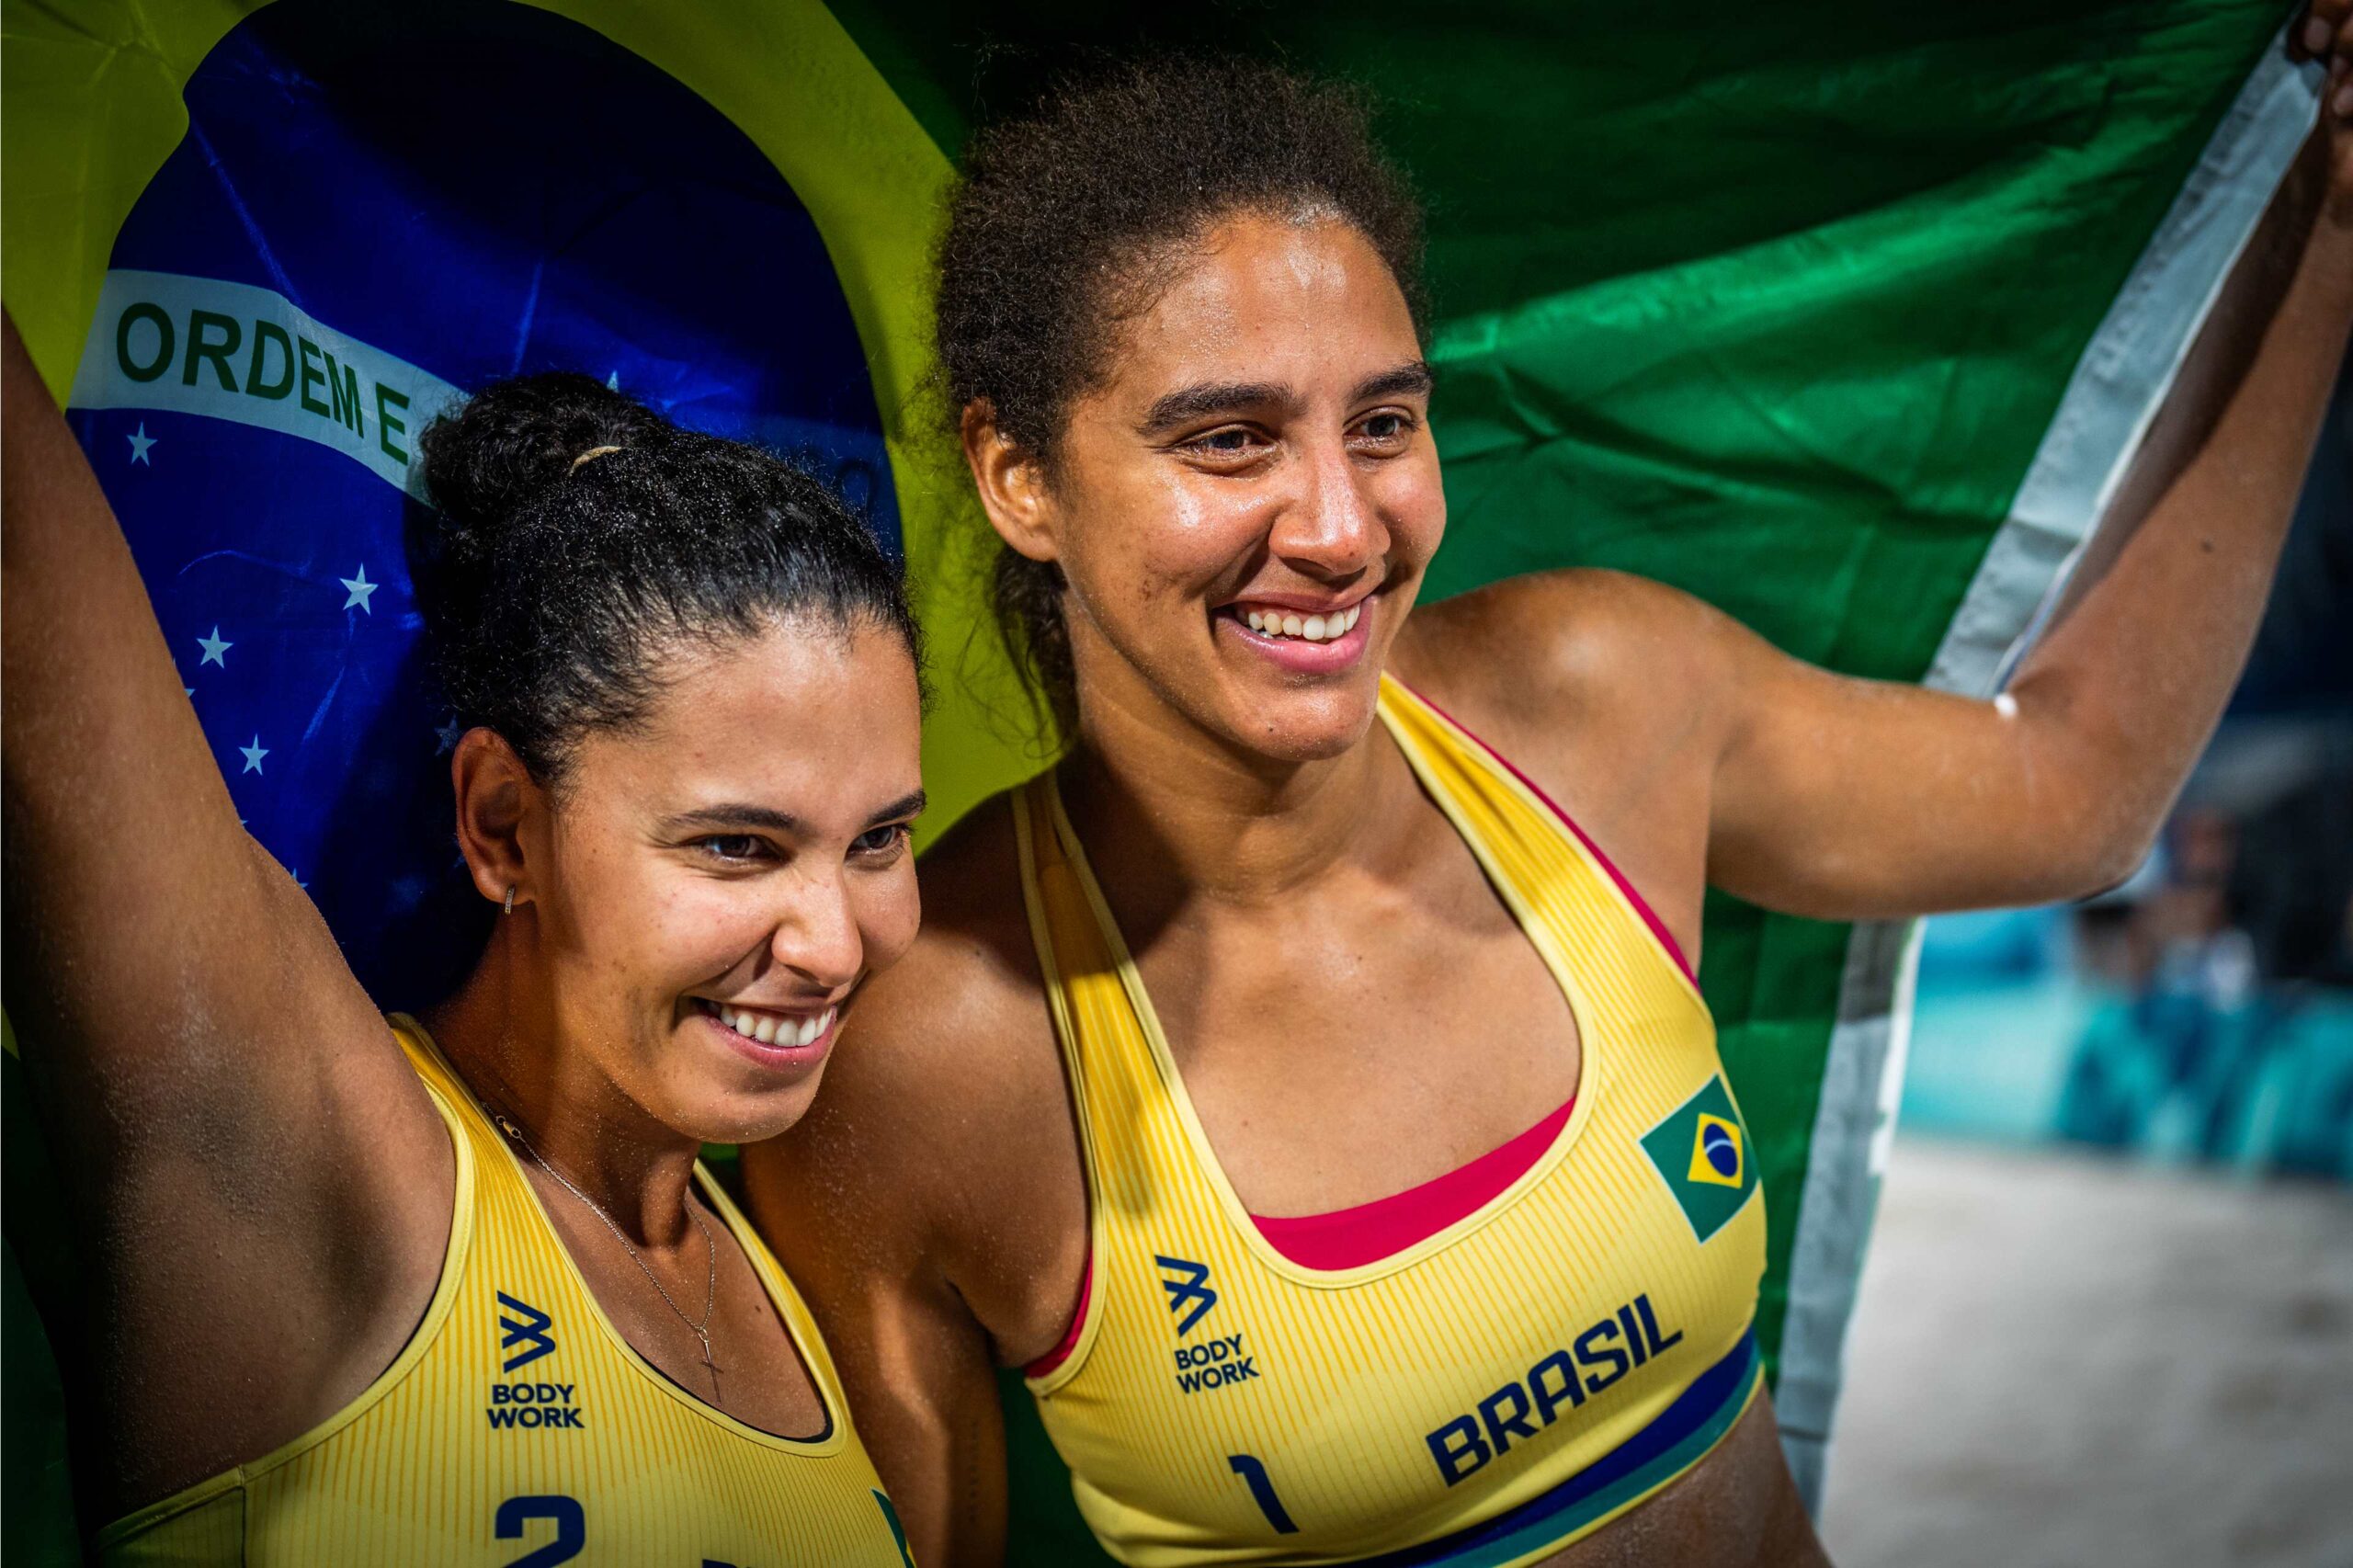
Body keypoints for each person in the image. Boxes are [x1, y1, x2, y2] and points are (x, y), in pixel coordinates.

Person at [741, 27, 2353, 1568]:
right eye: (1228, 441)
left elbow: (2070, 787)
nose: (1336, 526)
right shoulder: (932, 1047)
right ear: (1022, 476)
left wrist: (2333, 209)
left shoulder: (1598, 706)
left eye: (1383, 422)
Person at [0, 321, 929, 1563]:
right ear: (503, 827)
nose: (833, 943)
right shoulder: (315, 1167)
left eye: (878, 841)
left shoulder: (801, 1291)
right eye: (736, 847)